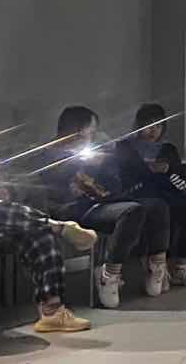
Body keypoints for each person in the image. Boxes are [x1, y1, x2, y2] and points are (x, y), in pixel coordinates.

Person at [0, 100, 94, 332]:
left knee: (37, 234)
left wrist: (8, 191)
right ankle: (57, 226)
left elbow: (18, 184)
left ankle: (53, 312)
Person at [41, 105, 173, 308]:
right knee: (132, 211)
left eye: (94, 131)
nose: (92, 135)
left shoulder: (96, 150)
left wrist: (104, 164)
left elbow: (114, 184)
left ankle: (157, 265)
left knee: (158, 205)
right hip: (76, 209)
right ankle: (109, 274)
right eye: (90, 131)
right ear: (76, 129)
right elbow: (52, 190)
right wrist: (75, 176)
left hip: (104, 201)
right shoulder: (50, 154)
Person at [116, 103, 186, 288]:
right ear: (139, 125)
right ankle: (156, 267)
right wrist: (149, 170)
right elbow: (125, 176)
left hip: (165, 191)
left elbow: (180, 179)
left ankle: (180, 267)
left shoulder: (167, 149)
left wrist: (168, 171)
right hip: (138, 193)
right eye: (149, 126)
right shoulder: (125, 146)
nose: (153, 131)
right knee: (158, 210)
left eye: (158, 126)